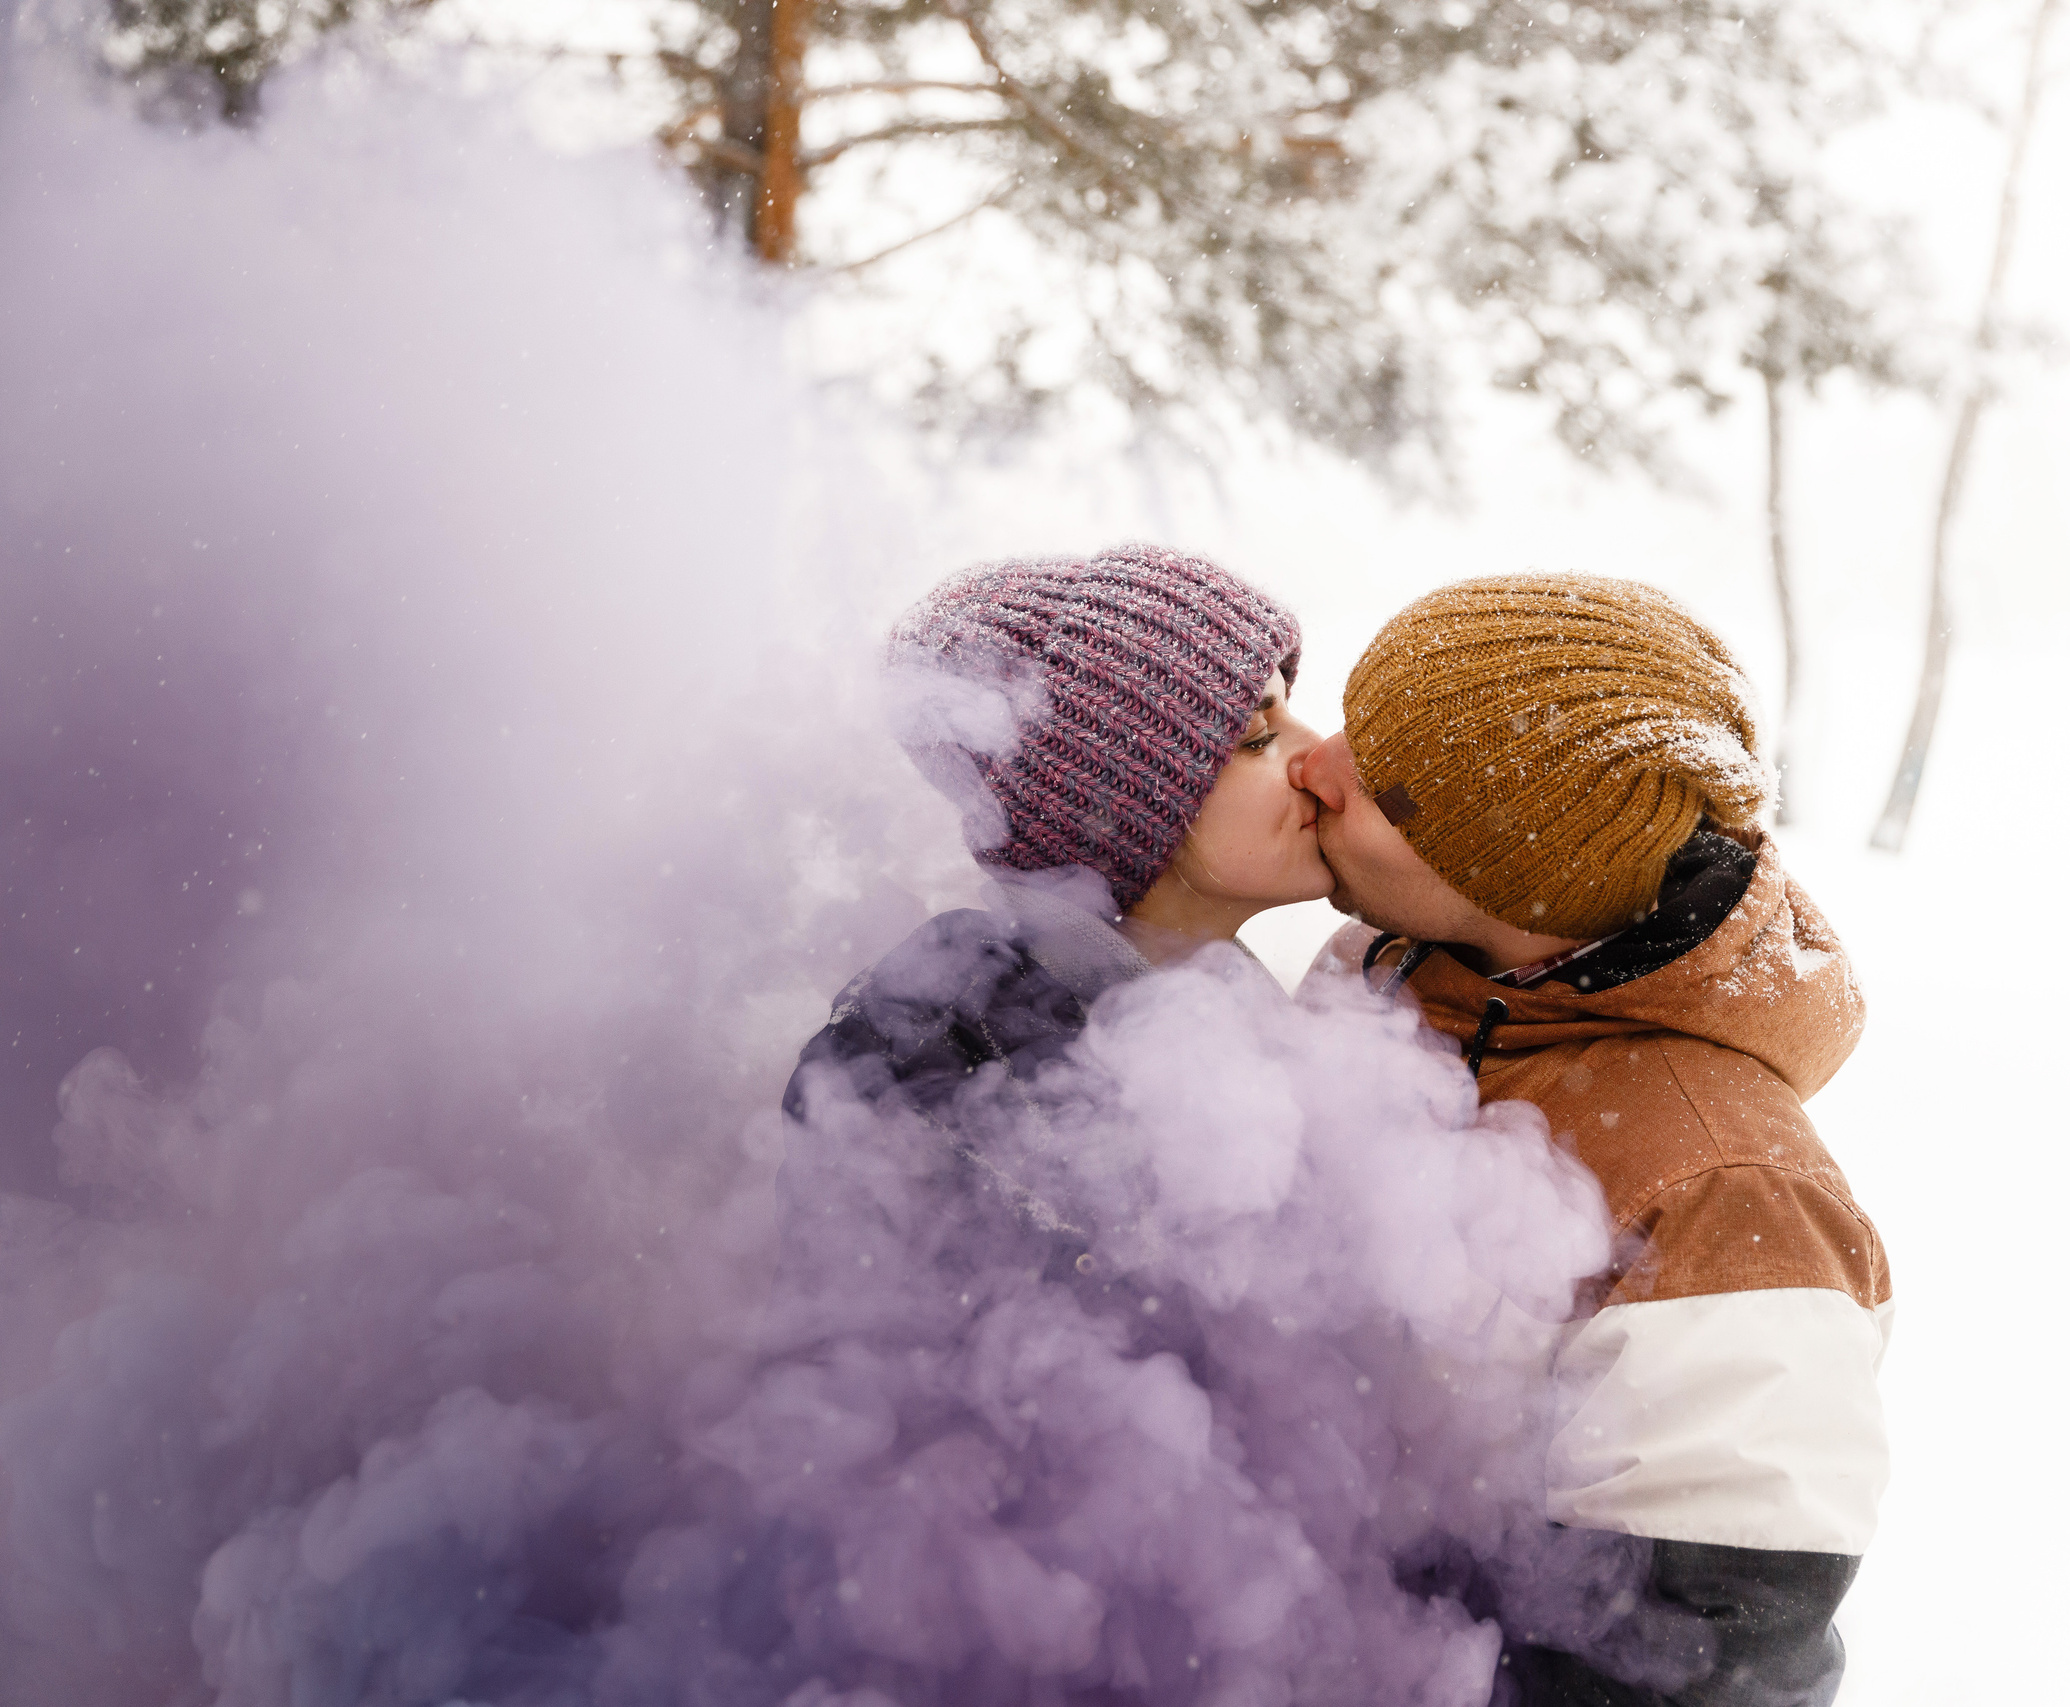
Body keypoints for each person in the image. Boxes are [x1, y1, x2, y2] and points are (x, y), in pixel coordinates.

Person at [1298, 572, 1890, 1707]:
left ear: (1501, 875)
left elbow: (1702, 1655)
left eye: (1381, 786)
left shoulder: (1727, 1184)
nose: (1314, 765)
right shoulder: (1396, 980)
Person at [783, 542, 1326, 1136]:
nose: (1317, 756)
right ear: (1118, 810)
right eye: (1255, 738)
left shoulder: (1236, 1016)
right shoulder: (970, 1083)